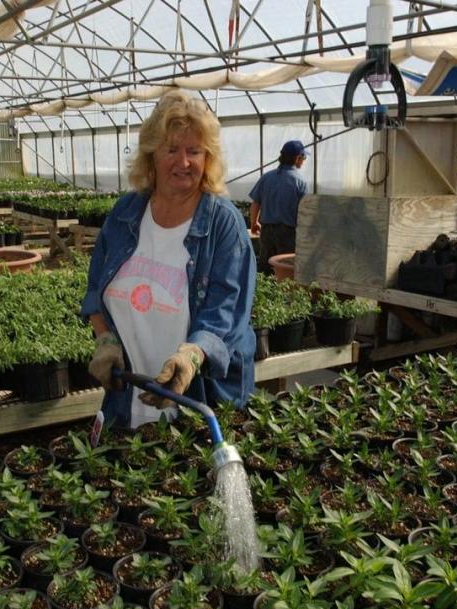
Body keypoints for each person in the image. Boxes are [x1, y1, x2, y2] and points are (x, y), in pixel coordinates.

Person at [80, 90, 256, 430]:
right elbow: (95, 288)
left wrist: (191, 358)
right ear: (151, 155)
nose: (184, 162)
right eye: (171, 149)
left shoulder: (223, 224)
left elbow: (228, 309)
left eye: (194, 151)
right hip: (126, 394)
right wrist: (105, 340)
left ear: (208, 158)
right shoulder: (125, 214)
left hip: (199, 399)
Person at [248, 140, 309, 274]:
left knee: (265, 268)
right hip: (288, 233)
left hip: (267, 231)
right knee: (286, 271)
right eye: (303, 158)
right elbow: (305, 212)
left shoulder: (266, 177)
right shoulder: (300, 182)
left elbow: (255, 203)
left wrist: (254, 222)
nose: (303, 161)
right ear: (297, 158)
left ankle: (263, 294)